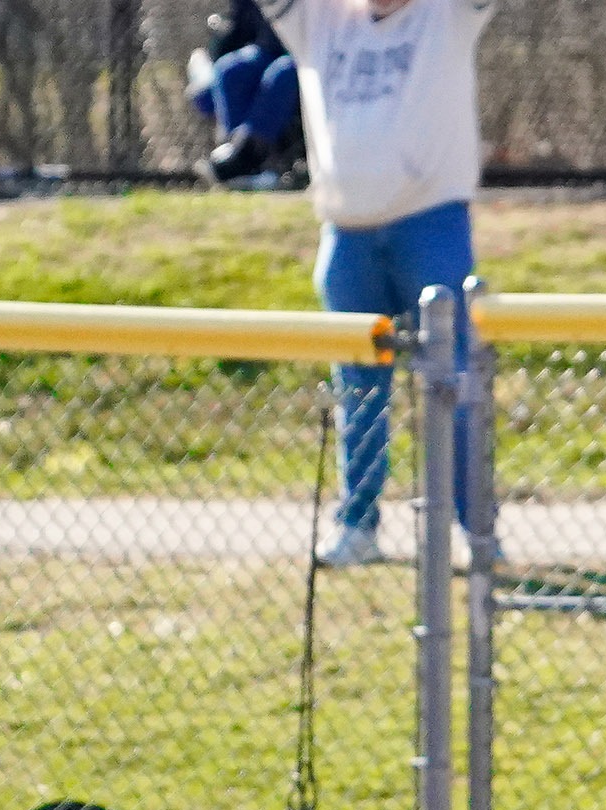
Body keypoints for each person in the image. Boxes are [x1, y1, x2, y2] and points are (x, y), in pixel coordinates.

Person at [257, 0, 496, 566]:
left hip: (431, 221)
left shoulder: (448, 13)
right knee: (358, 387)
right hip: (348, 231)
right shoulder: (317, 17)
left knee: (454, 379)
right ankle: (357, 525)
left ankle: (474, 530)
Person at [189, 0, 302, 184]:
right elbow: (240, 26)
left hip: (307, 53)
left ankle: (246, 157)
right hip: (268, 48)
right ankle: (235, 152)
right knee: (229, 70)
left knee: (282, 73)